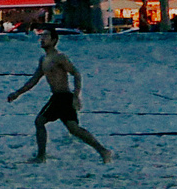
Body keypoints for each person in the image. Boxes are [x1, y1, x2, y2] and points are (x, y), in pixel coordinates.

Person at [7, 26, 114, 164]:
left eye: (46, 36)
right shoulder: (43, 59)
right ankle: (103, 151)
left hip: (63, 97)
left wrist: (76, 96)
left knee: (42, 122)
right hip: (57, 97)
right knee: (73, 129)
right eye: (42, 36)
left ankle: (41, 157)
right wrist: (17, 93)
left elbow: (76, 73)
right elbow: (34, 79)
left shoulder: (60, 57)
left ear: (54, 40)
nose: (42, 39)